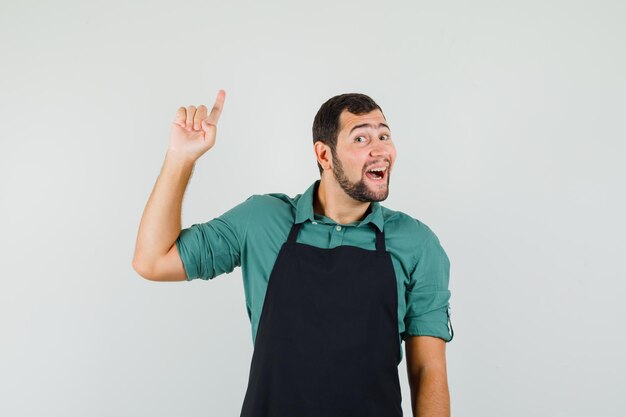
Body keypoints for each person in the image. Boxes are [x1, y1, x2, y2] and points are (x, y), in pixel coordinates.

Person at [132, 90, 454, 417]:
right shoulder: (261, 220)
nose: (380, 149)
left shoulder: (417, 244)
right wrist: (180, 158)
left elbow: (428, 370)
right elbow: (153, 260)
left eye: (384, 135)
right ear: (325, 155)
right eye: (361, 138)